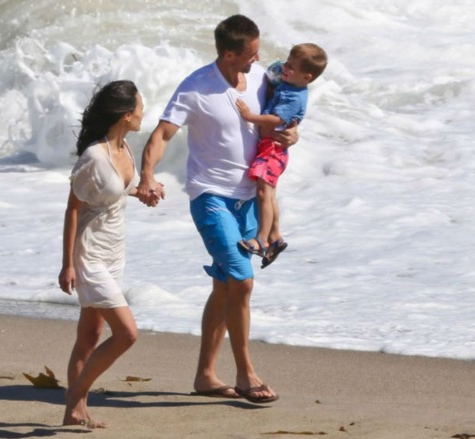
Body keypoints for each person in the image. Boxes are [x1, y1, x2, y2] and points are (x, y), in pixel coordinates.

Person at [136, 14, 297, 404]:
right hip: (210, 197)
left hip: (250, 199)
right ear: (228, 54)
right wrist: (147, 175)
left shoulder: (261, 80)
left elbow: (277, 124)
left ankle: (205, 375)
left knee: (226, 285)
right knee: (242, 281)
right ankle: (246, 374)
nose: (257, 61)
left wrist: (290, 134)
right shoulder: (196, 88)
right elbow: (161, 134)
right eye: (250, 54)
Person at [58, 80, 152, 428]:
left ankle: (74, 412)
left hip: (115, 251)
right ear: (126, 115)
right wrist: (68, 263)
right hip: (89, 255)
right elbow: (72, 209)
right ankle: (75, 395)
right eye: (140, 107)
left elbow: (114, 193)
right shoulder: (93, 158)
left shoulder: (124, 147)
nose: (144, 113)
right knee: (127, 333)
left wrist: (143, 192)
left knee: (89, 335)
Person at [235, 43, 328, 268]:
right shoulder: (287, 83)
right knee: (269, 195)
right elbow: (273, 72)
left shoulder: (295, 96)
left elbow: (277, 120)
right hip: (270, 147)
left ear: (306, 77)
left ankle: (261, 239)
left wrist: (249, 117)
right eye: (287, 62)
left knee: (263, 194)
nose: (285, 68)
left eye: (291, 67)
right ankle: (275, 237)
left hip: (273, 150)